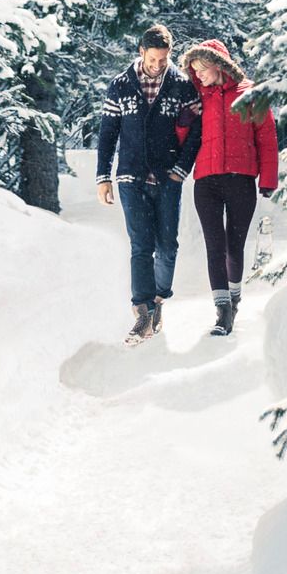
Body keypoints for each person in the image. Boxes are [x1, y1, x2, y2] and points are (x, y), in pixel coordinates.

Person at [95, 23, 200, 344]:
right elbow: (108, 133)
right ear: (141, 52)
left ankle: (157, 300)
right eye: (153, 59)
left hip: (168, 176)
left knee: (167, 247)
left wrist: (181, 169)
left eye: (163, 60)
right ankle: (142, 313)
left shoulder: (182, 86)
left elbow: (196, 131)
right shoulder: (120, 85)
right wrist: (103, 177)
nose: (157, 66)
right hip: (130, 176)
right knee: (141, 245)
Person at [181, 38, 278, 335]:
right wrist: (184, 119)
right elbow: (183, 136)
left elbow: (267, 138)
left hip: (241, 181)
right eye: (194, 70)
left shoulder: (250, 94)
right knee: (215, 247)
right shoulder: (198, 97)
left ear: (218, 65)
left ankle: (234, 298)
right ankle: (222, 311)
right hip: (206, 181)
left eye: (202, 69)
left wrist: (268, 179)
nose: (198, 75)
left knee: (234, 248)